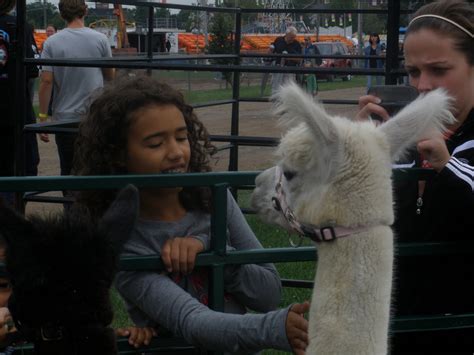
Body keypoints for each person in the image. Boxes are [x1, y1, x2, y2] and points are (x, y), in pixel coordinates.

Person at [73, 76, 310, 355]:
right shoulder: (125, 241)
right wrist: (271, 328)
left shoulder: (214, 198)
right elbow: (192, 321)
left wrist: (211, 246)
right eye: (155, 144)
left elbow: (269, 293)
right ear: (117, 155)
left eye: (182, 137)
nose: (176, 152)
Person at [356, 0, 474, 352]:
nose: (422, 86)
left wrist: (446, 165)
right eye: (412, 72)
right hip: (402, 330)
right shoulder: (406, 137)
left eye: (439, 70)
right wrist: (363, 154)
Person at [38, 0, 114, 178]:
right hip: (94, 115)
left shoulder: (51, 42)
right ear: (85, 11)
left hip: (64, 116)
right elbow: (110, 75)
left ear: (61, 14)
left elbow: (46, 82)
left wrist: (42, 118)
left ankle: (69, 205)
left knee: (68, 168)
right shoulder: (100, 39)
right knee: (95, 167)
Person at [0, 0, 39, 206]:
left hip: (11, 108)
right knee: (13, 167)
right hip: (12, 108)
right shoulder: (20, 25)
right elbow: (32, 70)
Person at [271, 26, 302, 95]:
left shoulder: (296, 44)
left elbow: (299, 59)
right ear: (286, 34)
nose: (292, 39)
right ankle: (277, 103)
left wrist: (288, 57)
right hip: (278, 67)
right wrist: (270, 50)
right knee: (276, 88)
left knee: (289, 88)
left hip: (290, 69)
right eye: (291, 37)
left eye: (294, 37)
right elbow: (272, 53)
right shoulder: (278, 40)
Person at [44, 24, 57, 117]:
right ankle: (49, 110)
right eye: (47, 31)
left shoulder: (57, 42)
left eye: (51, 31)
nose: (49, 33)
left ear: (56, 32)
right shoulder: (44, 43)